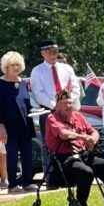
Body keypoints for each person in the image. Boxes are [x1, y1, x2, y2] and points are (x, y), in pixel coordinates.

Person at [45, 90, 104, 206]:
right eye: (65, 103)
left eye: (71, 103)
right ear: (58, 105)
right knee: (86, 172)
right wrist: (83, 137)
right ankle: (81, 205)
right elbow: (63, 134)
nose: (69, 106)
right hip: (64, 158)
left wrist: (93, 139)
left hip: (83, 155)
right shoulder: (52, 118)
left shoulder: (78, 116)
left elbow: (94, 131)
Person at [29, 39, 81, 174]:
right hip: (49, 112)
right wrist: (56, 107)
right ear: (43, 53)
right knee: (48, 145)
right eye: (50, 52)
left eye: (56, 51)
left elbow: (76, 88)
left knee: (71, 142)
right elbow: (38, 93)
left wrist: (67, 104)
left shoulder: (67, 69)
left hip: (68, 112)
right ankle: (51, 176)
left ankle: (70, 174)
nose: (54, 54)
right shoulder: (37, 71)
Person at [0, 51, 36, 192]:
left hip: (25, 125)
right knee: (12, 156)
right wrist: (1, 127)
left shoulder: (23, 83)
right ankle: (12, 185)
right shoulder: (1, 84)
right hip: (9, 126)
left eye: (17, 64)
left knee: (27, 154)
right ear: (6, 67)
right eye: (12, 65)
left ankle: (27, 183)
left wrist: (35, 110)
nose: (15, 67)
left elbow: (26, 104)